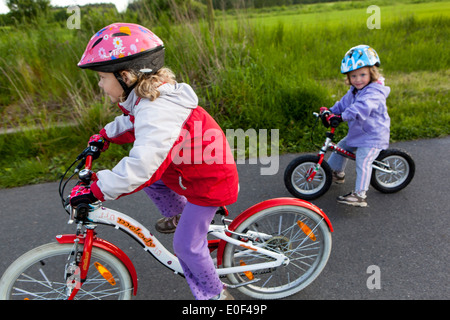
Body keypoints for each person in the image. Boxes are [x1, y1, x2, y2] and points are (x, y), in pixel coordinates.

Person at [70, 23, 239, 300]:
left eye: (101, 78)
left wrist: (97, 189)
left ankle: (215, 295)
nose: (100, 85)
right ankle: (180, 215)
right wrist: (104, 136)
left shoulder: (159, 109)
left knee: (186, 247)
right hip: (188, 169)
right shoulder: (146, 97)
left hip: (208, 182)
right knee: (154, 182)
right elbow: (134, 123)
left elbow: (142, 166)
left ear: (125, 75)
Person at [320, 45, 390, 207]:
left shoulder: (374, 92)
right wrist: (330, 111)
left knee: (363, 160)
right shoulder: (354, 91)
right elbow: (343, 104)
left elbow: (361, 108)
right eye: (353, 76)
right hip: (360, 132)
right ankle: (336, 172)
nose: (358, 79)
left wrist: (342, 117)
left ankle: (360, 195)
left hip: (373, 135)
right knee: (342, 146)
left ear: (372, 73)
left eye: (362, 74)